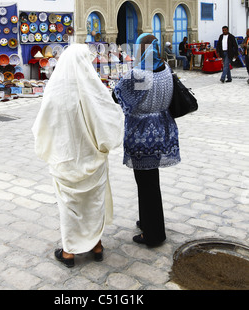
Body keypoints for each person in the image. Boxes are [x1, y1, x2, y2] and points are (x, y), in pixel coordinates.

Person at [32, 43, 124, 267]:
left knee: (69, 205)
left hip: (65, 158)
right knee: (93, 203)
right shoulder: (95, 90)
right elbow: (111, 115)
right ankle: (97, 245)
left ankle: (69, 252)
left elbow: (43, 124)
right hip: (92, 158)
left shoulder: (55, 91)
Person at [113, 34, 180, 248]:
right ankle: (148, 222)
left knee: (146, 183)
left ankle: (154, 234)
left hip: (142, 134)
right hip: (162, 130)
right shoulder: (166, 70)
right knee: (151, 181)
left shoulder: (140, 74)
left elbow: (118, 96)